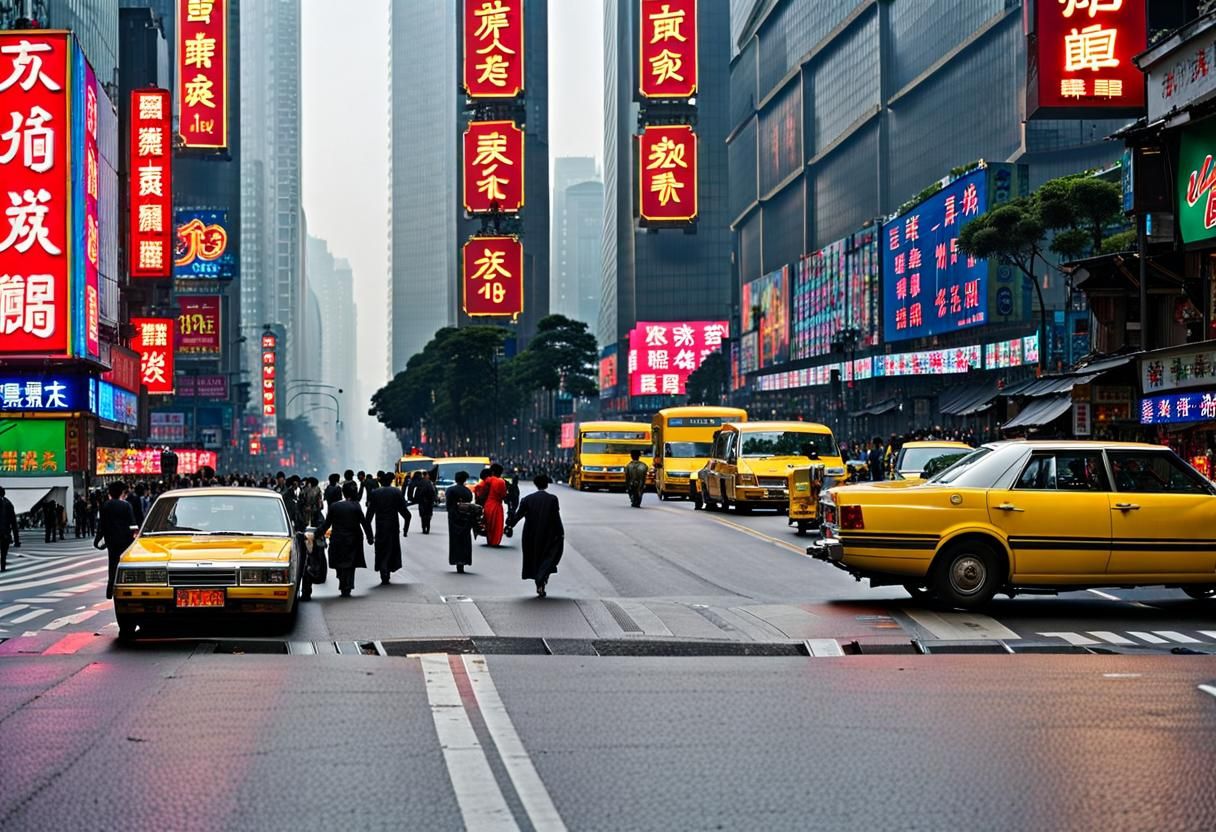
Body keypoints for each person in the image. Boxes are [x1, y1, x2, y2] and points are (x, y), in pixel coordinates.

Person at [506, 474, 564, 598]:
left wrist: (510, 525)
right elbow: (556, 518)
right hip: (548, 533)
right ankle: (541, 579)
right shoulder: (552, 499)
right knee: (547, 557)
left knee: (534, 557)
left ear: (535, 484)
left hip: (531, 533)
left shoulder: (527, 499)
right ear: (547, 484)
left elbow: (518, 516)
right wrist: (560, 532)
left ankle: (539, 580)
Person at [314, 481, 373, 597]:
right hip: (353, 540)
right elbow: (364, 523)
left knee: (340, 563)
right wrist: (370, 537)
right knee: (351, 564)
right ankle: (348, 585)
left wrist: (316, 534)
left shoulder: (334, 506)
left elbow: (326, 525)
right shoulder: (356, 506)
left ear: (343, 493)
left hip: (338, 540)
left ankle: (342, 579)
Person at [365, 472, 411, 585]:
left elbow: (368, 517)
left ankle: (383, 568)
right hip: (393, 526)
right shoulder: (396, 492)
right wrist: (405, 529)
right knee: (391, 549)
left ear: (381, 482)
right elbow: (406, 514)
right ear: (391, 481)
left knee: (381, 549)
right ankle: (387, 569)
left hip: (380, 527)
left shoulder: (375, 493)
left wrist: (369, 536)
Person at [95, 482, 137, 599]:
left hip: (111, 540)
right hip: (125, 540)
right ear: (121, 493)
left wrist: (98, 540)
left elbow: (101, 525)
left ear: (110, 493)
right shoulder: (126, 506)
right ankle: (125, 586)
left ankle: (110, 589)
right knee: (125, 563)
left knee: (112, 563)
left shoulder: (105, 506)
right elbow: (132, 523)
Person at [445, 470, 476, 573]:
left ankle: (456, 560)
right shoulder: (468, 491)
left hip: (454, 517)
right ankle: (464, 561)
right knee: (465, 539)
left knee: (455, 540)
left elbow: (448, 505)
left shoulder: (450, 490)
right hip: (466, 517)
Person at [474, 463, 508, 546]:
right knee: (497, 525)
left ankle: (490, 540)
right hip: (496, 505)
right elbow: (503, 495)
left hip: (488, 504)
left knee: (489, 524)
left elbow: (479, 490)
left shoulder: (488, 480)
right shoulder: (501, 481)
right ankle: (494, 542)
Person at [409, 470, 437, 535]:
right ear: (426, 475)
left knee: (423, 515)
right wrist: (434, 499)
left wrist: (414, 499)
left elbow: (415, 491)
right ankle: (427, 528)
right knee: (428, 515)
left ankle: (424, 528)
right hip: (429, 502)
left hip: (422, 501)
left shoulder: (419, 482)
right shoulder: (430, 483)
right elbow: (433, 492)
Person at [0, 486, 18, 571]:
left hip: (4, 531)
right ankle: (3, 565)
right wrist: (16, 540)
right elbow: (13, 522)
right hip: (5, 532)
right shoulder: (8, 503)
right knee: (4, 551)